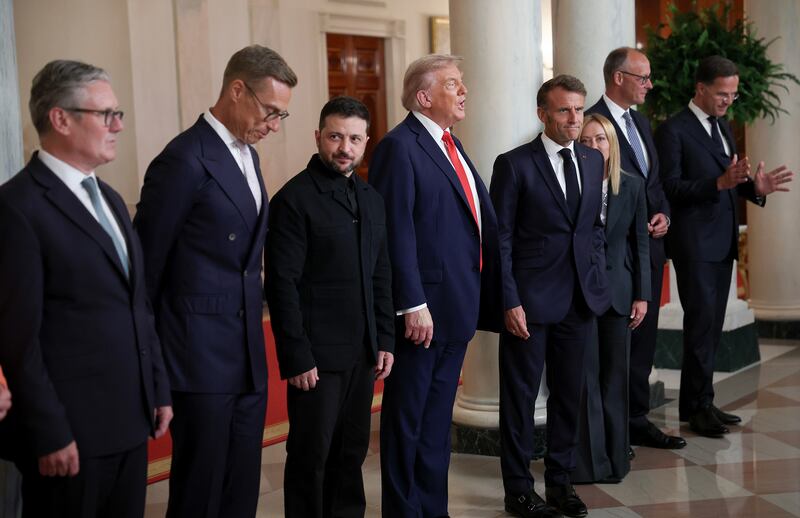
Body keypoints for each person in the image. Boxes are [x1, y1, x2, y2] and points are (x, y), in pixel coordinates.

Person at [0, 59, 172, 518]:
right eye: (106, 115)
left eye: (118, 114)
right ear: (61, 118)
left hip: (129, 421)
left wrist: (156, 387)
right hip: (70, 433)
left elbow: (137, 304)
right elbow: (18, 340)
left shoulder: (111, 199)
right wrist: (49, 430)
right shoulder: (17, 207)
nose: (117, 126)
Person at [134, 45, 296, 517]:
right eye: (270, 111)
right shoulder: (183, 159)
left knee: (240, 482)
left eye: (283, 115)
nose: (274, 125)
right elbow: (146, 268)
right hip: (197, 354)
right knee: (200, 487)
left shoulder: (249, 155)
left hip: (244, 349)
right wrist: (151, 366)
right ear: (237, 90)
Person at [368, 54, 501, 518]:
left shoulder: (452, 145)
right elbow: (395, 231)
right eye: (452, 84)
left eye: (462, 82)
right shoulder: (398, 147)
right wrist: (411, 303)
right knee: (407, 422)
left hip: (457, 308)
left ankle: (433, 509)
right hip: (421, 315)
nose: (463, 90)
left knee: (435, 423)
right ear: (424, 97)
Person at [266, 96, 395, 518]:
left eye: (355, 139)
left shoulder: (372, 199)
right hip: (316, 357)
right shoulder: (293, 200)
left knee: (352, 451)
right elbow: (282, 286)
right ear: (318, 136)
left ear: (366, 142)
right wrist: (297, 356)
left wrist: (384, 340)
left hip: (362, 352)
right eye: (336, 136)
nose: (345, 147)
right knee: (311, 455)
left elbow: (380, 276)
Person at [491, 74, 610, 518]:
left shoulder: (593, 161)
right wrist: (509, 300)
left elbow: (593, 229)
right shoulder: (514, 164)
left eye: (578, 109)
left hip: (580, 300)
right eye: (564, 110)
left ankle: (561, 482)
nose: (574, 118)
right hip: (529, 302)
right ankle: (518, 489)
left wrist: (596, 276)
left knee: (568, 395)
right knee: (520, 398)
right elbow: (499, 240)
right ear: (542, 114)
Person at [656, 55, 793, 438]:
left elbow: (728, 179)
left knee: (712, 328)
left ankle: (701, 401)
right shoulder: (674, 130)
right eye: (722, 94)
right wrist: (718, 183)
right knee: (700, 325)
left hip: (721, 242)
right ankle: (695, 409)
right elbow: (669, 187)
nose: (728, 101)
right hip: (694, 243)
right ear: (700, 88)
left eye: (733, 94)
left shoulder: (722, 125)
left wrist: (755, 189)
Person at [586, 47, 685, 451]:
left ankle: (637, 419)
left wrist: (663, 214)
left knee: (643, 341)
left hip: (648, 250)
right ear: (618, 78)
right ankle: (612, 429)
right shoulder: (591, 122)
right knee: (611, 350)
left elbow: (653, 182)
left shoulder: (642, 123)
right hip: (608, 261)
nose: (650, 84)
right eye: (643, 77)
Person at [571, 114, 650, 484]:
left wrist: (643, 295)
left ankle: (617, 459)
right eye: (585, 141)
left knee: (615, 379)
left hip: (620, 294)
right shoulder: (570, 184)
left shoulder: (631, 186)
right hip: (580, 293)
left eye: (600, 139)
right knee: (585, 379)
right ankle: (590, 464)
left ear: (612, 144)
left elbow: (642, 245)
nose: (593, 146)